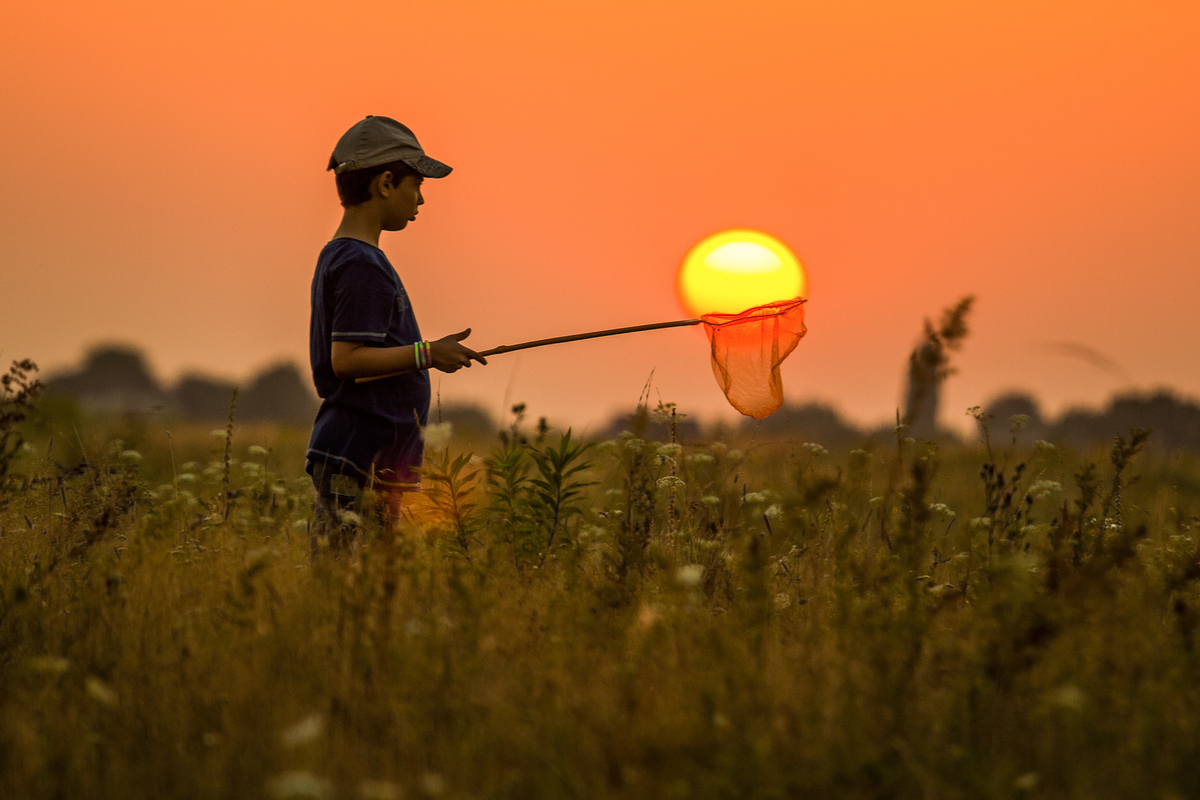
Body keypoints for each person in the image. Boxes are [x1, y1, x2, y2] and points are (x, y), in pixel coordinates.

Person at [306, 115, 486, 551]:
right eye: (416, 185)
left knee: (362, 590)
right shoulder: (361, 265)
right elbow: (346, 361)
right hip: (359, 461)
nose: (421, 199)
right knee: (349, 587)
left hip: (367, 462)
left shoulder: (348, 257)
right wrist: (427, 354)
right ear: (386, 182)